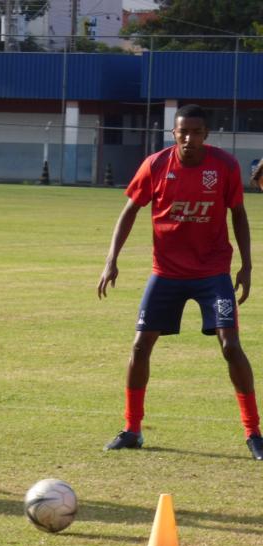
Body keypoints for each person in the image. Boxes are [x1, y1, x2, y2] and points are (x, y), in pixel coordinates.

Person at [98, 103, 263, 460]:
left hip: (212, 273)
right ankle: (132, 429)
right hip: (167, 273)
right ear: (173, 132)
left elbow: (239, 215)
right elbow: (129, 211)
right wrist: (112, 259)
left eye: (196, 132)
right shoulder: (156, 165)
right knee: (140, 347)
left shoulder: (224, 166)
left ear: (206, 134)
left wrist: (247, 266)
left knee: (230, 346)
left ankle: (253, 433)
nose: (188, 138)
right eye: (182, 131)